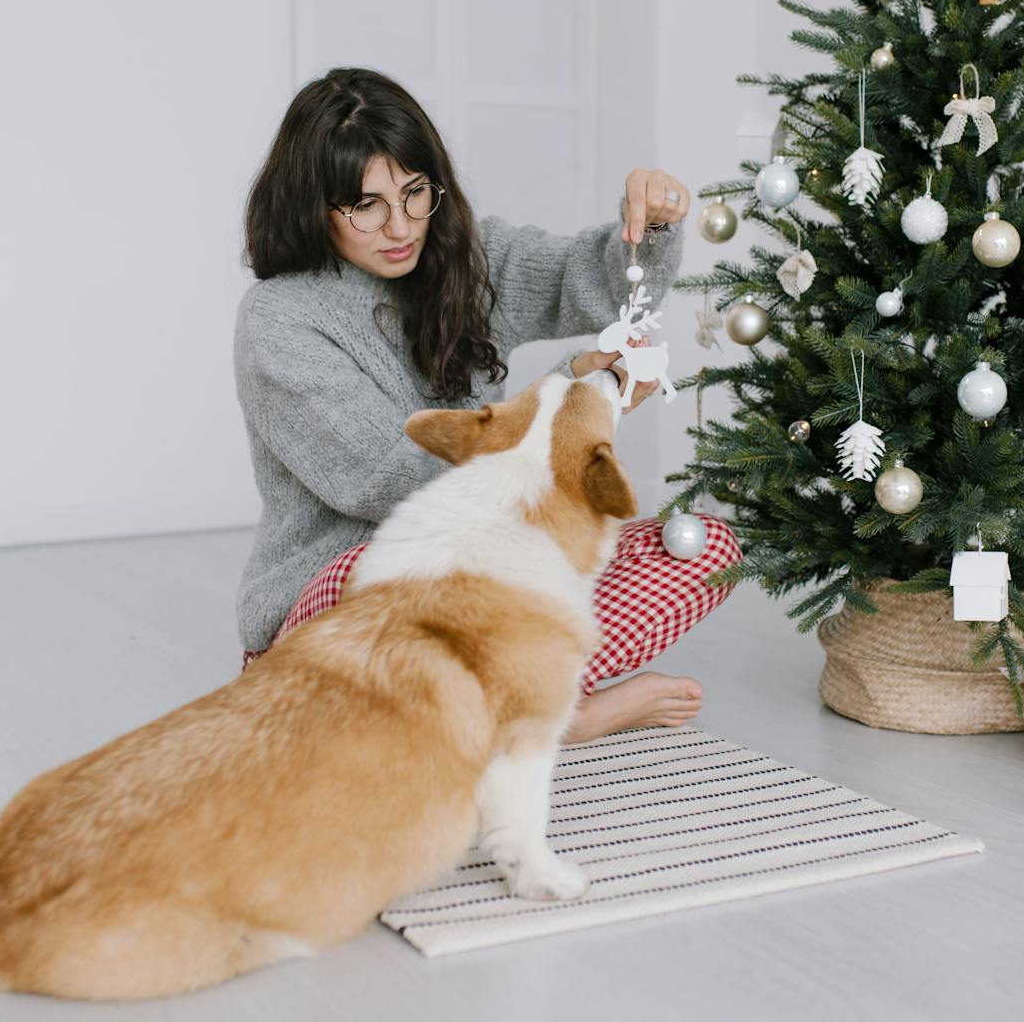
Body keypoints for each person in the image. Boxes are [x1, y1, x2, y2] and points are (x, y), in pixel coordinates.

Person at [233, 67, 740, 741]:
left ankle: (497, 715)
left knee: (701, 548)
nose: (401, 226)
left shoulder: (464, 257)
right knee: (387, 571)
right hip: (344, 616)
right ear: (314, 206)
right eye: (368, 205)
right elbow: (388, 481)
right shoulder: (280, 319)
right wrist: (574, 396)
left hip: (488, 585)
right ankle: (560, 719)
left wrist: (647, 228)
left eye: (416, 193)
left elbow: (588, 283)